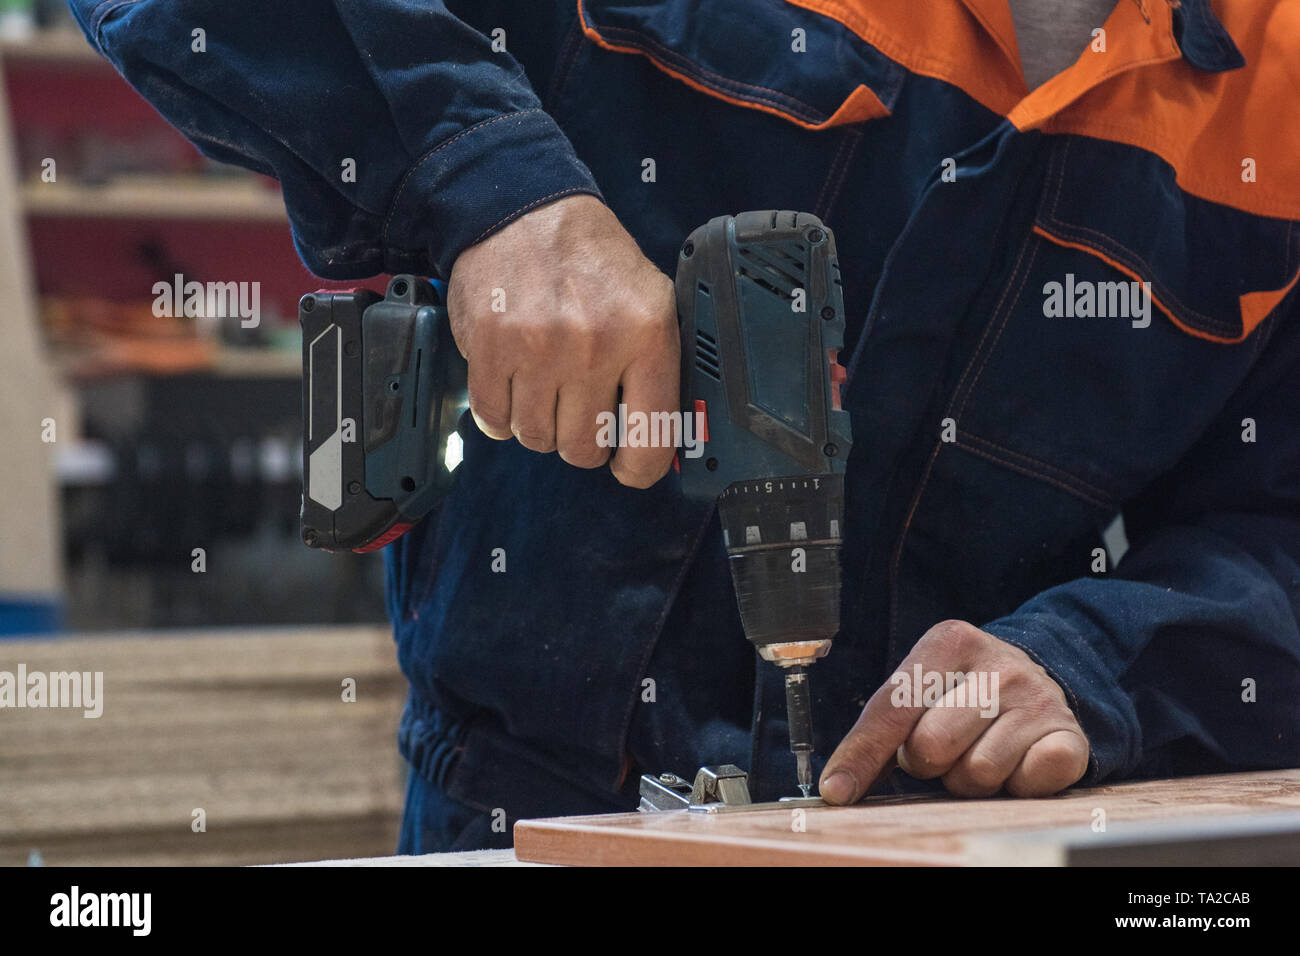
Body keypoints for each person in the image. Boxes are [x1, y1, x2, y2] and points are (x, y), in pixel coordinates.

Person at [70, 0, 1300, 853]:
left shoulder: (1278, 82)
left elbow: (1275, 528)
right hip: (538, 819)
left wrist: (1096, 662)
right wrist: (495, 189)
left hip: (953, 832)